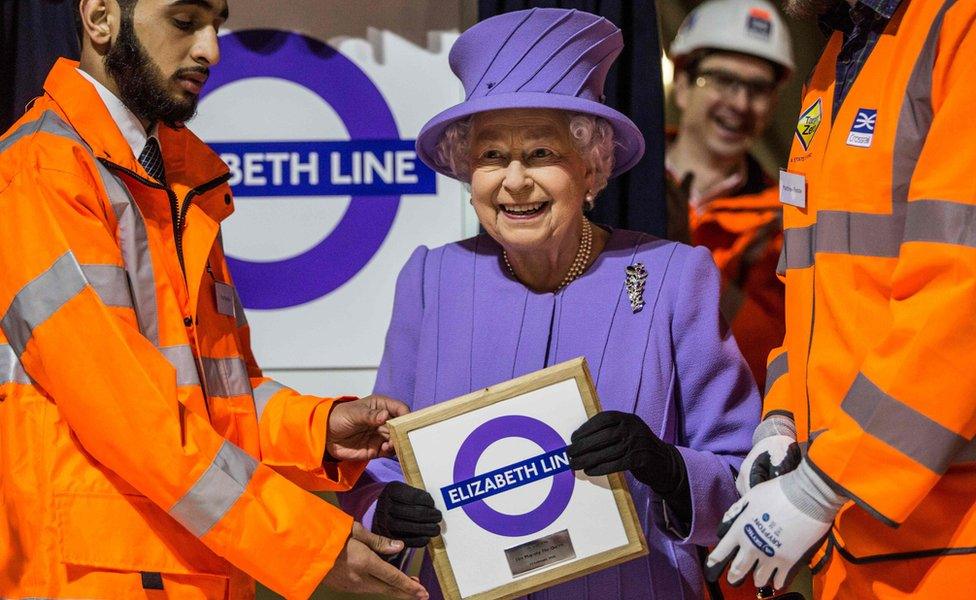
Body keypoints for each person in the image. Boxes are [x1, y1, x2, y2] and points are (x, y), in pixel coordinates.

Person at [0, 1, 428, 598]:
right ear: (100, 19)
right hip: (98, 579)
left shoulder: (180, 177)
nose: (211, 50)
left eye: (215, 24)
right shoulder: (41, 170)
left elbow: (219, 394)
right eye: (184, 22)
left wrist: (317, 427)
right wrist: (304, 543)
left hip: (198, 569)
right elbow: (127, 414)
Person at [338, 8, 761, 599]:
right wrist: (384, 509)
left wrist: (666, 466)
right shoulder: (432, 281)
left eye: (540, 153)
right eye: (491, 156)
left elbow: (747, 476)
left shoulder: (671, 277)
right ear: (468, 170)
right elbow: (380, 466)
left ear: (591, 165)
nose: (514, 181)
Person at [706, 0, 976, 597]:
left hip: (951, 541)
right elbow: (812, 291)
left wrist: (821, 486)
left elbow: (962, 294)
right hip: (850, 540)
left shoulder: (958, 27)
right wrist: (781, 419)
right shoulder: (838, 59)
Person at [666, 0, 794, 391]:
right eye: (723, 80)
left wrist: (687, 262)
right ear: (684, 85)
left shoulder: (785, 219)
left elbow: (769, 356)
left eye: (757, 89)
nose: (740, 104)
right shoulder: (612, 181)